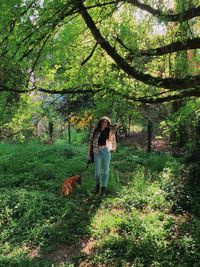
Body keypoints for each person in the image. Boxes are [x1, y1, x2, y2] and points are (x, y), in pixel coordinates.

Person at [88, 116, 117, 196]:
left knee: (106, 171)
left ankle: (103, 190)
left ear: (107, 124)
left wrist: (110, 148)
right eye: (103, 122)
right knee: (97, 172)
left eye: (106, 122)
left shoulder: (109, 131)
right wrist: (89, 155)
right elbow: (90, 143)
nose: (104, 123)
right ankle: (97, 187)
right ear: (100, 122)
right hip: (97, 152)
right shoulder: (95, 131)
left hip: (105, 152)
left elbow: (113, 140)